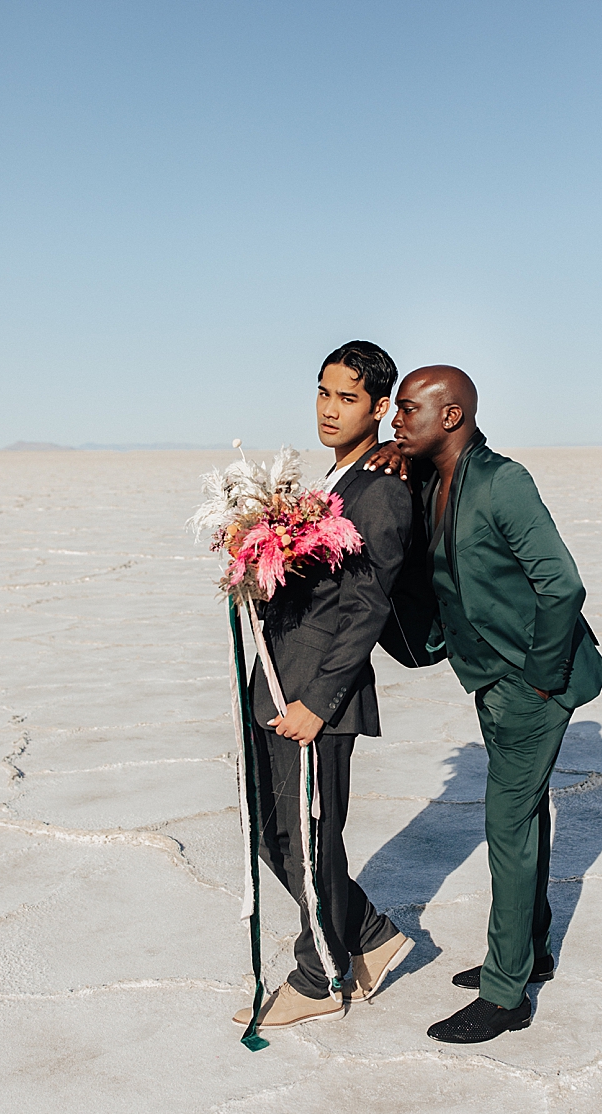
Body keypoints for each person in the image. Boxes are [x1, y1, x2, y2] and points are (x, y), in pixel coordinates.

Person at [388, 367, 602, 1044]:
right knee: (525, 819)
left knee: (507, 824)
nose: (395, 420)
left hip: (530, 683)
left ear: (451, 416)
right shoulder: (432, 479)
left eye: (407, 410)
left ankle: (506, 994)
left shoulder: (501, 482)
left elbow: (562, 584)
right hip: (488, 678)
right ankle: (531, 951)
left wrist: (539, 678)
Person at [232, 341, 416, 1033]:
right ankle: (368, 933)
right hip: (278, 685)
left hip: (316, 698)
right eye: (323, 392)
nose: (331, 409)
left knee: (309, 836)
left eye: (348, 397)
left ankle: (318, 975)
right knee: (274, 831)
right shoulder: (331, 484)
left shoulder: (381, 489)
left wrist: (320, 701)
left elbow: (367, 607)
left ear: (378, 407)